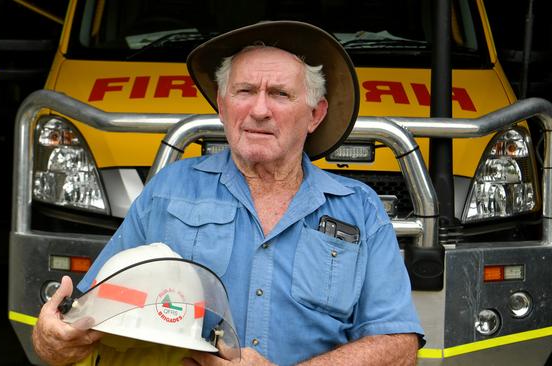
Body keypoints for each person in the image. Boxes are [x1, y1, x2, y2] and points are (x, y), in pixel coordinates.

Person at [32, 20, 424, 366]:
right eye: (244, 91)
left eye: (280, 95)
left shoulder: (360, 208)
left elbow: (399, 346)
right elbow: (84, 320)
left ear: (315, 114)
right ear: (222, 105)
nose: (259, 110)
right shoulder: (169, 190)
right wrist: (52, 338)